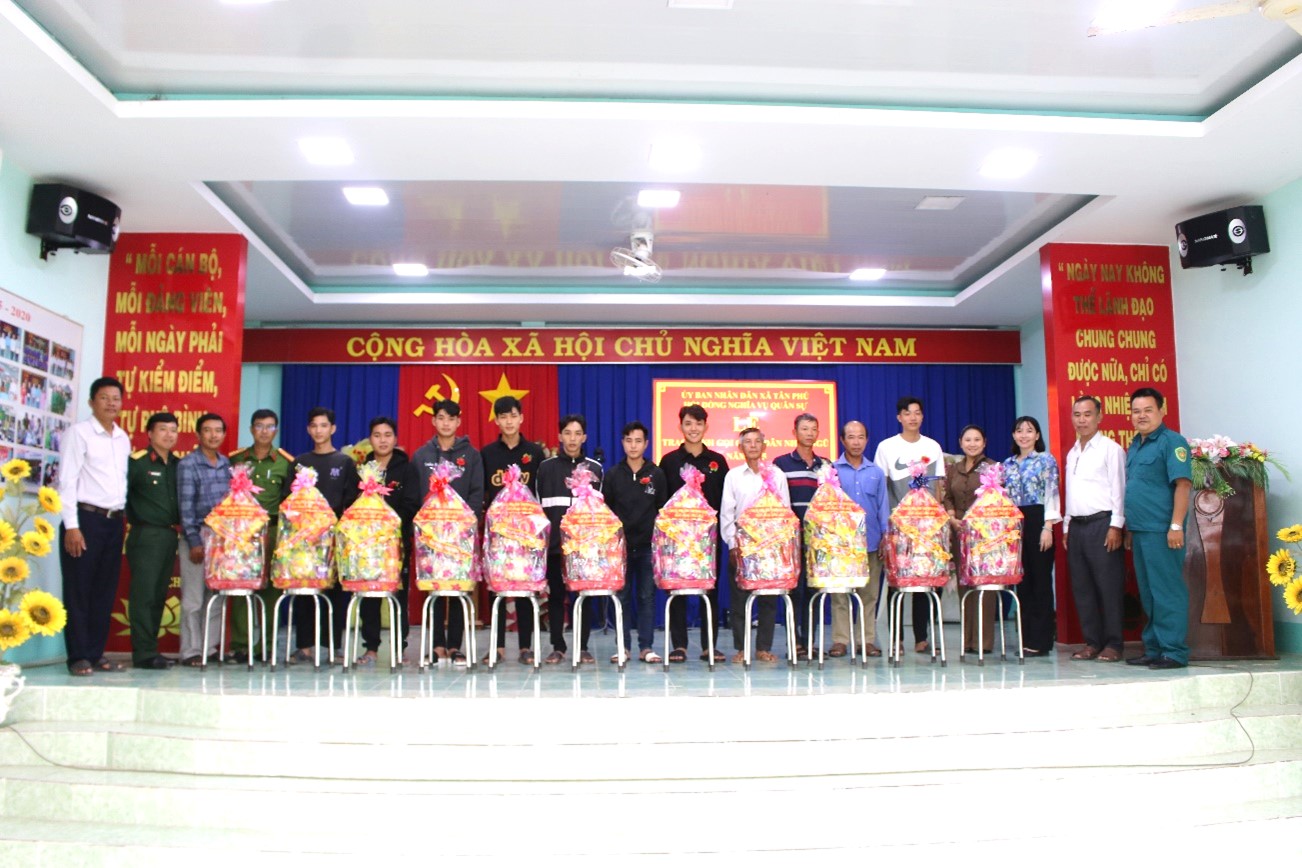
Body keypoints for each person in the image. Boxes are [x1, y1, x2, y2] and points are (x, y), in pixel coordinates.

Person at [57, 376, 131, 676]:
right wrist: (71, 526)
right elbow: (67, 481)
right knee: (79, 589)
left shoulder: (122, 438)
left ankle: (95, 653)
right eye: (104, 397)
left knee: (104, 590)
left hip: (114, 522)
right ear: (91, 402)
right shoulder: (79, 433)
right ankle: (78, 656)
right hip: (84, 520)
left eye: (116, 398)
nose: (111, 403)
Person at [284, 406, 360, 663]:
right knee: (305, 590)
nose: (319, 430)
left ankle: (333, 647)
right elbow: (288, 500)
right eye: (314, 426)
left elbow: (351, 502)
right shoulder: (300, 463)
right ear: (308, 429)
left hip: (333, 538)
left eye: (324, 425)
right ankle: (304, 646)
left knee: (336, 592)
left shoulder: (344, 463)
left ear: (333, 429)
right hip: (304, 540)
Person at [411, 399, 484, 665]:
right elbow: (415, 494)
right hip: (430, 535)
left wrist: (464, 524)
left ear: (458, 422)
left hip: (459, 535)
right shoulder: (421, 455)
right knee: (433, 590)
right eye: (441, 418)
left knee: (458, 589)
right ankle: (437, 645)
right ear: (433, 420)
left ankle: (455, 646)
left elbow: (477, 492)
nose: (446, 423)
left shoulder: (471, 455)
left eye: (451, 419)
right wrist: (426, 525)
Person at [1124, 387, 1192, 670]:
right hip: (1140, 530)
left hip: (1162, 531)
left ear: (1162, 411)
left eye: (1148, 410)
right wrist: (1130, 529)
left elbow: (1183, 485)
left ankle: (1174, 651)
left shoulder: (1172, 442)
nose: (1141, 416)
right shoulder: (1135, 445)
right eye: (1136, 411)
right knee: (1149, 593)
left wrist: (1175, 525)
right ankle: (1154, 649)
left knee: (1167, 591)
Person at [478, 395, 546, 664]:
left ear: (521, 418)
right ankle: (497, 647)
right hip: (499, 533)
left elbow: (539, 492)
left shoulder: (534, 452)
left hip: (526, 534)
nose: (508, 421)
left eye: (513, 416)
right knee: (496, 589)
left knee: (525, 589)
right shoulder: (487, 454)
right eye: (503, 416)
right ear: (496, 420)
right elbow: (484, 492)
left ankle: (526, 647)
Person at [658, 404, 729, 664]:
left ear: (706, 427)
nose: (693, 428)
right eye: (688, 423)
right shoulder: (669, 461)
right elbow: (663, 501)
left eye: (698, 423)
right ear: (680, 426)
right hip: (677, 540)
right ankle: (679, 645)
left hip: (708, 541)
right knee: (677, 591)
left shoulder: (717, 461)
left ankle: (709, 645)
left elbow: (725, 501)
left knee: (710, 591)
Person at [873, 396, 943, 654]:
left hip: (928, 528)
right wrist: (887, 525)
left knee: (925, 580)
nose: (913, 417)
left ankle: (921, 637)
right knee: (897, 582)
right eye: (907, 413)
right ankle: (896, 639)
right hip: (898, 527)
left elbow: (938, 487)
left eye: (917, 413)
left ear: (922, 417)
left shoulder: (933, 446)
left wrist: (937, 524)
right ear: (899, 417)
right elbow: (882, 489)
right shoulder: (887, 447)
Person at [535, 414, 605, 666]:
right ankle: (558, 646)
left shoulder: (595, 469)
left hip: (583, 550)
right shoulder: (546, 468)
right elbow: (538, 508)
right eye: (567, 433)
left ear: (584, 437)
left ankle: (582, 647)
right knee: (556, 598)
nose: (572, 438)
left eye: (577, 433)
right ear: (560, 436)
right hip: (554, 547)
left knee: (583, 598)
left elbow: (600, 512)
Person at [227, 409, 294, 664]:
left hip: (273, 530)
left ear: (276, 430)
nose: (264, 431)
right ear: (251, 429)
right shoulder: (236, 459)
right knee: (242, 586)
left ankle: (266, 645)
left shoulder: (285, 462)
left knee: (271, 591)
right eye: (259, 426)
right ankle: (241, 645)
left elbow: (289, 501)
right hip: (242, 532)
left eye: (269, 427)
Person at [1063, 396, 1127, 663]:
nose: (1082, 420)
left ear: (1099, 417)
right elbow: (1071, 491)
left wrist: (1116, 526)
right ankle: (1092, 642)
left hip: (1103, 524)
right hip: (1077, 526)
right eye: (1077, 415)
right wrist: (1067, 525)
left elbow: (1119, 489)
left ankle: (1113, 644)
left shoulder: (1111, 449)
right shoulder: (1072, 452)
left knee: (1108, 586)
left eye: (1087, 414)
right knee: (1083, 588)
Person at [720, 428, 791, 663]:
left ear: (764, 446)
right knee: (739, 599)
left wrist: (781, 544)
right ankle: (742, 648)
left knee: (768, 599)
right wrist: (732, 544)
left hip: (770, 547)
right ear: (740, 447)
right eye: (748, 442)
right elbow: (727, 513)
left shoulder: (776, 475)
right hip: (742, 547)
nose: (752, 446)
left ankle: (763, 647)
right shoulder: (733, 476)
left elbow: (785, 510)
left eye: (757, 441)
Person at [355, 416, 421, 666]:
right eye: (377, 435)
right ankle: (371, 648)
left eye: (387, 435)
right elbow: (354, 503)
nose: (382, 440)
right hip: (368, 546)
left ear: (395, 439)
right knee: (369, 597)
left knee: (398, 597)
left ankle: (398, 648)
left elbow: (412, 505)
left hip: (396, 544)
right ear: (370, 439)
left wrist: (387, 524)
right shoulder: (362, 469)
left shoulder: (407, 469)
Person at [604, 421, 668, 664]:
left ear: (646, 444)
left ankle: (646, 647)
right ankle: (623, 647)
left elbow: (662, 511)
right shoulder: (613, 474)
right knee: (620, 597)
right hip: (619, 549)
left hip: (647, 547)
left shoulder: (656, 474)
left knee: (646, 597)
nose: (633, 446)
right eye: (629, 440)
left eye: (638, 441)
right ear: (622, 443)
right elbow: (607, 511)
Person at [1001, 416, 1062, 657]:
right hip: (1015, 524)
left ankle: (1041, 640)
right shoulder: (1007, 464)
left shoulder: (1045, 460)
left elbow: (1051, 493)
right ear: (1013, 435)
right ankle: (1025, 638)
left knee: (1041, 580)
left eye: (1029, 430)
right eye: (1019, 431)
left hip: (1039, 520)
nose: (1024, 435)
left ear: (1037, 435)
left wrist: (1048, 527)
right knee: (1022, 581)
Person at [125, 412, 181, 669]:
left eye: (173, 430)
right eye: (163, 429)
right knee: (144, 595)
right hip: (146, 534)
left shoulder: (178, 465)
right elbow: (121, 496)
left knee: (159, 595)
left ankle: (151, 649)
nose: (169, 435)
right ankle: (143, 653)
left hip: (169, 535)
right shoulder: (137, 463)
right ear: (150, 433)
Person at [829, 421, 890, 658]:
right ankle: (840, 640)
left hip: (871, 541)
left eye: (861, 437)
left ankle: (866, 640)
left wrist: (885, 536)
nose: (856, 442)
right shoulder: (832, 470)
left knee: (869, 594)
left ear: (867, 440)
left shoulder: (876, 472)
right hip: (841, 544)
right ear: (842, 440)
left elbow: (882, 506)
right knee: (840, 594)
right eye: (851, 437)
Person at [176, 413, 231, 666]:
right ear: (198, 434)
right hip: (197, 536)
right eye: (207, 430)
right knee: (194, 599)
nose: (213, 435)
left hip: (222, 540)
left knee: (216, 597)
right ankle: (191, 651)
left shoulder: (226, 464)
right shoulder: (188, 464)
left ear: (224, 434)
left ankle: (209, 648)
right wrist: (193, 541)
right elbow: (185, 507)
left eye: (218, 430)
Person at [773, 412, 829, 660]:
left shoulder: (826, 466)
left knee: (814, 593)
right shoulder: (780, 464)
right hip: (791, 540)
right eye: (804, 429)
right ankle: (794, 642)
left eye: (813, 429)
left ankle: (810, 642)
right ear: (794, 432)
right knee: (793, 593)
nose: (809, 433)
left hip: (817, 540)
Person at [942, 424, 997, 655]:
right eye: (968, 440)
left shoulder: (992, 467)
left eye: (977, 440)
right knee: (964, 584)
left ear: (984, 443)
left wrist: (978, 522)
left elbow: (996, 499)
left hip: (984, 535)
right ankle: (967, 640)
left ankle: (984, 641)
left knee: (983, 585)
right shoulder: (953, 469)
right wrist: (952, 518)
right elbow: (947, 496)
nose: (972, 444)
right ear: (960, 443)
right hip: (959, 532)